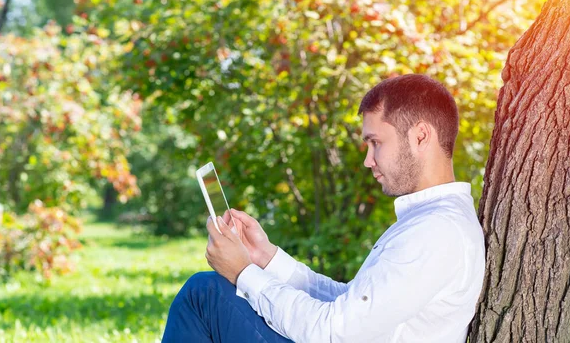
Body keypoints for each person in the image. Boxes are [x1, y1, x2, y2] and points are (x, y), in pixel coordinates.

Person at [161, 74, 486, 343]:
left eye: (376, 143)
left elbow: (333, 331)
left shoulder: (436, 232)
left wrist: (243, 274)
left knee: (204, 293)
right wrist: (267, 259)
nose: (368, 160)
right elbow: (351, 306)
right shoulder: (432, 220)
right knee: (208, 289)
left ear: (420, 136)